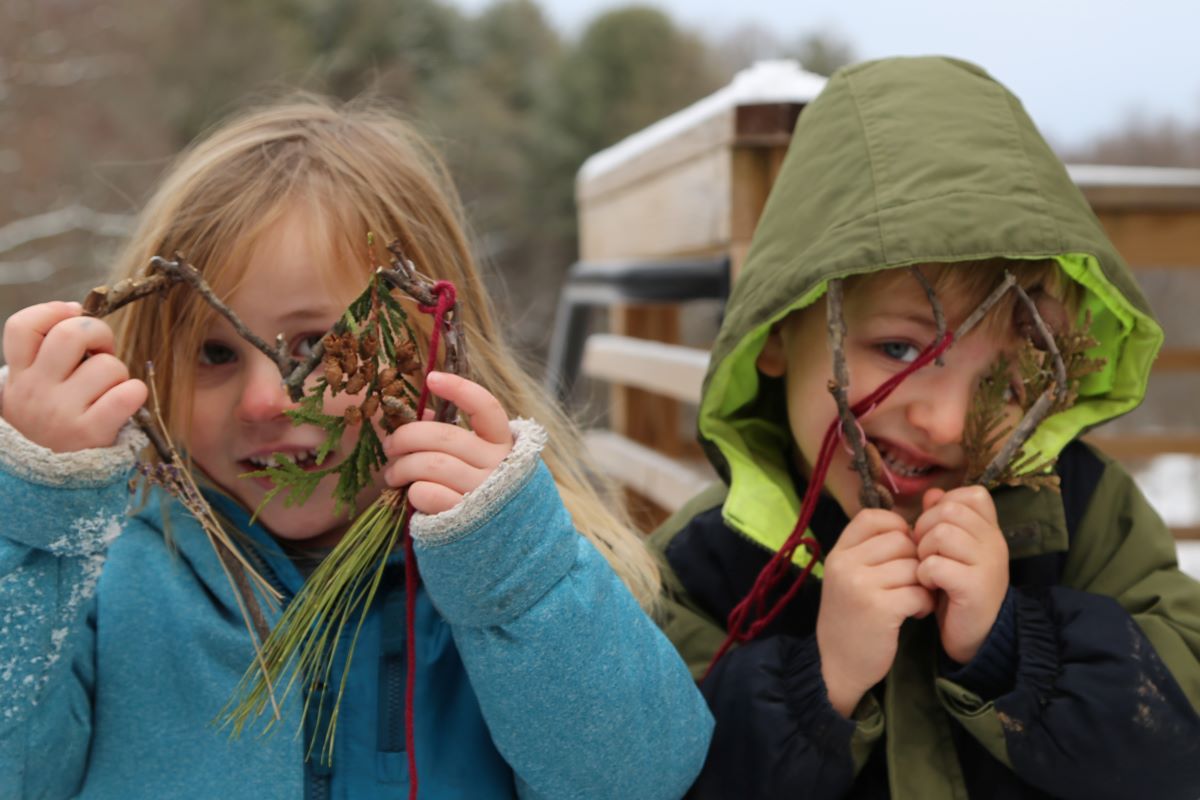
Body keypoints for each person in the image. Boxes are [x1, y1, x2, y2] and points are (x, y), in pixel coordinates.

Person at [0, 97, 713, 799]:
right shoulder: (105, 571)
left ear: (434, 342)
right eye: (215, 353)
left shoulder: (517, 567)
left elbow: (635, 777)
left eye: (318, 346)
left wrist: (509, 567)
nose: (266, 400)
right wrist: (34, 524)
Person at [648, 56, 1200, 799]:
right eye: (900, 350)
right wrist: (819, 683)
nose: (942, 421)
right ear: (778, 333)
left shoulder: (1084, 517)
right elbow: (647, 773)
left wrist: (1011, 646)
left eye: (1004, 381)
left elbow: (1179, 747)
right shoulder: (708, 564)